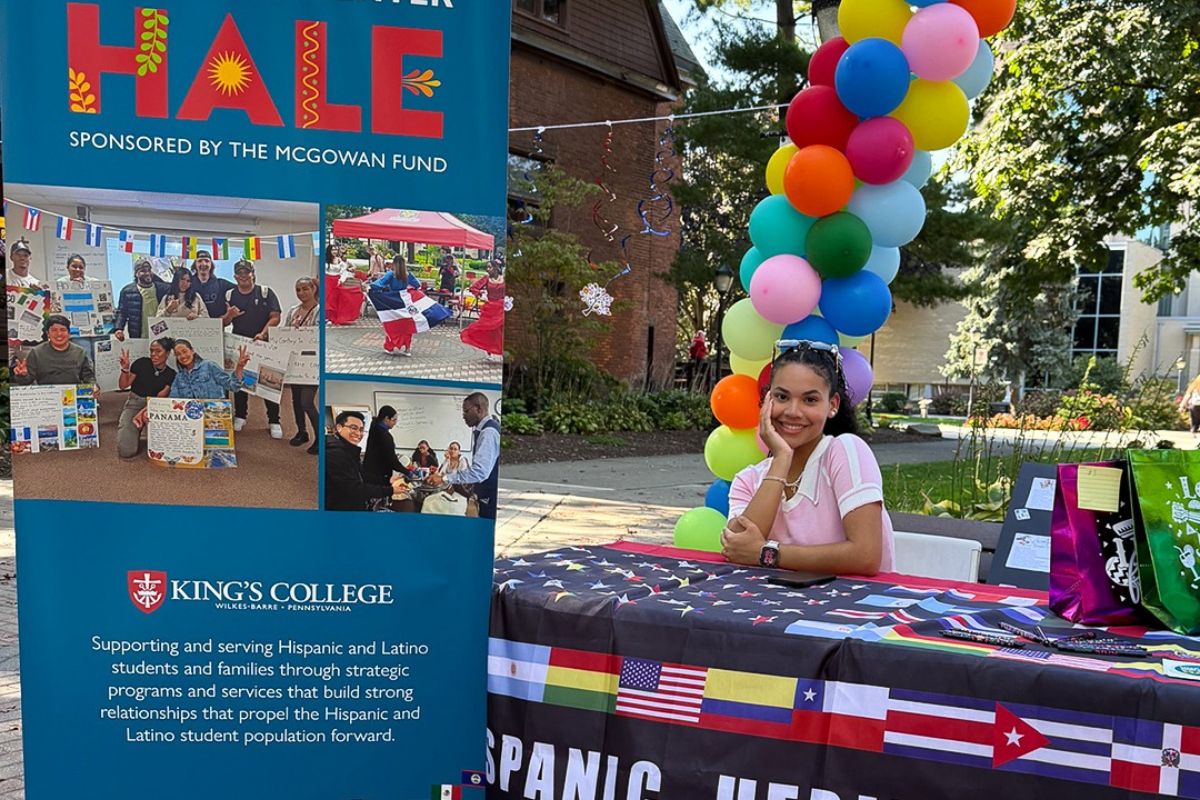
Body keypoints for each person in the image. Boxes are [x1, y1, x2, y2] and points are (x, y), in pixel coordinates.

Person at [721, 341, 894, 575]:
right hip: (774, 606)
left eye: (810, 400)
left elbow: (866, 556)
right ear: (767, 401)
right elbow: (738, 548)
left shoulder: (845, 451)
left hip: (852, 605)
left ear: (832, 405)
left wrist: (767, 553)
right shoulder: (748, 479)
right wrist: (782, 459)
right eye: (782, 397)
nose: (793, 411)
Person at [222, 259, 283, 438]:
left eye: (246, 272)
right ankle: (240, 415)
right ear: (235, 276)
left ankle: (274, 420)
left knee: (269, 382)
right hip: (240, 342)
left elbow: (276, 317)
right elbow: (223, 321)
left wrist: (263, 333)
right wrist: (229, 316)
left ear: (252, 273)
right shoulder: (229, 295)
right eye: (239, 273)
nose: (243, 276)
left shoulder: (265, 292)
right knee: (240, 379)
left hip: (263, 342)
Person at [131, 339, 249, 429]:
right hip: (191, 421)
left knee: (214, 457)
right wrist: (145, 411)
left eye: (184, 351)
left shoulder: (209, 365)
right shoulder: (179, 377)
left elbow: (233, 386)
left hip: (214, 416)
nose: (182, 356)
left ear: (192, 351)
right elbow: (172, 401)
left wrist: (239, 367)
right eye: (178, 354)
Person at [427, 393, 501, 520]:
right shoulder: (482, 430)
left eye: (466, 411)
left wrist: (444, 478)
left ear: (478, 409)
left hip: (489, 495)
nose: (463, 416)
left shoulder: (488, 433)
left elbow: (479, 472)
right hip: (483, 494)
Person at [325, 410, 408, 512]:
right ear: (339, 427)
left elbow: (361, 475)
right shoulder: (335, 454)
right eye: (353, 428)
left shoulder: (349, 450)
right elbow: (354, 488)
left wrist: (387, 481)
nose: (358, 433)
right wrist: (390, 490)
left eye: (361, 430)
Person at [116, 336, 176, 458]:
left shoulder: (171, 374)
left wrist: (145, 412)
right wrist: (125, 369)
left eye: (158, 351)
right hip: (134, 402)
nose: (153, 354)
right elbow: (123, 385)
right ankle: (134, 434)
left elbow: (160, 398)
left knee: (162, 449)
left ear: (168, 353)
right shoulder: (141, 363)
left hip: (154, 406)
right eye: (151, 351)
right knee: (126, 451)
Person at [284, 276, 321, 454]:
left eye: (305, 288)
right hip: (295, 361)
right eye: (298, 289)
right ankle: (301, 432)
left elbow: (320, 336)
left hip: (312, 363)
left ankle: (320, 438)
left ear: (314, 289)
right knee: (296, 400)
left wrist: (303, 330)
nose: (301, 293)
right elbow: (283, 335)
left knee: (307, 401)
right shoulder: (293, 311)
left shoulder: (320, 311)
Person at [12, 314, 97, 386]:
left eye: (63, 330)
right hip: (47, 399)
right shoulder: (36, 353)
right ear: (48, 334)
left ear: (69, 333)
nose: (59, 334)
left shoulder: (80, 352)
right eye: (54, 330)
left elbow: (88, 376)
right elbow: (26, 382)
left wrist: (93, 385)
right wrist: (22, 375)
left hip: (73, 397)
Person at [459, 260, 505, 361]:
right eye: (487, 267)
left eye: (490, 267)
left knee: (501, 331)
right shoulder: (486, 279)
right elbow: (473, 288)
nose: (488, 269)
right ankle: (489, 352)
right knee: (487, 330)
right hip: (490, 308)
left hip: (502, 308)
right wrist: (481, 294)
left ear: (496, 267)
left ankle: (502, 352)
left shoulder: (504, 278)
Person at [113, 258, 168, 341]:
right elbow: (122, 312)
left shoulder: (162, 289)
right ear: (136, 274)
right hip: (138, 334)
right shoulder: (127, 291)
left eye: (149, 270)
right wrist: (119, 328)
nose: (147, 273)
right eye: (143, 271)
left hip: (160, 333)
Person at [363, 406, 414, 487]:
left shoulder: (374, 427)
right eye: (394, 420)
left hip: (369, 473)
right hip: (378, 476)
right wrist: (407, 472)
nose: (395, 423)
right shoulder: (384, 435)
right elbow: (392, 461)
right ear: (386, 418)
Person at [189, 250, 236, 318]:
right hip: (192, 325)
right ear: (195, 265)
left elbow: (242, 289)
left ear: (211, 264)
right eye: (199, 261)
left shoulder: (222, 284)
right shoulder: (188, 284)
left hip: (217, 325)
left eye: (207, 261)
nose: (203, 264)